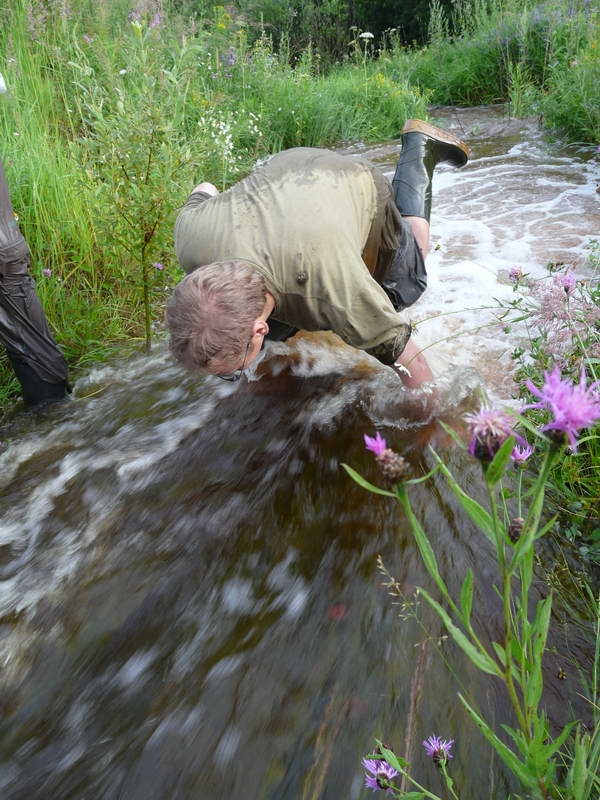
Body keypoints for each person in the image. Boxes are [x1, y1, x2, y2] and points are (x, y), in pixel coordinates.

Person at [166, 119, 468, 388]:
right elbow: (205, 187)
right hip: (285, 167)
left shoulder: (332, 290)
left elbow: (414, 365)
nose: (232, 375)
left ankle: (421, 148)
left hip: (348, 180)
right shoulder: (191, 240)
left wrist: (431, 427)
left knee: (404, 286)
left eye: (230, 373)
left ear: (258, 328)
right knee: (281, 334)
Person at [0, 155, 70, 407]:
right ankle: (54, 408)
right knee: (28, 334)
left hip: (6, 254)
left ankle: (52, 409)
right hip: (9, 249)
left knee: (26, 337)